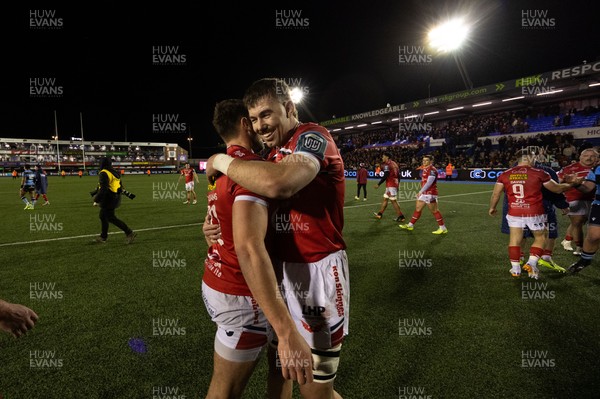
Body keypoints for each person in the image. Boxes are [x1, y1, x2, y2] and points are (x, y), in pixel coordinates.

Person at [207, 78, 348, 399]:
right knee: (281, 369)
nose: (260, 126)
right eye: (254, 119)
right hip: (279, 276)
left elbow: (281, 184)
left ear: (289, 108)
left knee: (316, 391)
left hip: (319, 281)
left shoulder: (315, 137)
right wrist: (213, 222)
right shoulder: (271, 153)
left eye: (266, 115)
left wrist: (219, 160)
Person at [202, 99, 312, 398]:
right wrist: (287, 330)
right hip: (242, 290)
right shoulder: (249, 170)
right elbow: (248, 247)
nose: (260, 126)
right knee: (225, 389)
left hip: (223, 275)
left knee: (281, 370)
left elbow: (219, 219)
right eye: (253, 119)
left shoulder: (221, 170)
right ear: (243, 124)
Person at [489, 148, 576, 278]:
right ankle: (532, 263)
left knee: (514, 239)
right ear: (530, 158)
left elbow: (496, 194)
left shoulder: (505, 174)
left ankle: (515, 269)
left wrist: (492, 207)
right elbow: (557, 189)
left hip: (514, 211)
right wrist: (572, 184)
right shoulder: (540, 173)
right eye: (534, 157)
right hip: (534, 211)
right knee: (541, 238)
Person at [500, 160, 568, 273]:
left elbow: (502, 191)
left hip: (515, 208)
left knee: (518, 234)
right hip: (540, 208)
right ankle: (544, 258)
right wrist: (563, 204)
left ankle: (518, 261)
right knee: (547, 234)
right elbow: (555, 191)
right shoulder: (545, 171)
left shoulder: (509, 172)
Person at [557, 149, 598, 255]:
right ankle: (579, 247)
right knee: (578, 222)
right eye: (586, 155)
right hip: (574, 199)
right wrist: (561, 202)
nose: (589, 158)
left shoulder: (597, 169)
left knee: (582, 222)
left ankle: (567, 239)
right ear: (580, 156)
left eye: (592, 156)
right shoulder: (569, 169)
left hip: (594, 199)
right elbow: (558, 185)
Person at [566, 159, 600, 273]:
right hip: (599, 205)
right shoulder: (597, 168)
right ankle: (585, 260)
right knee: (593, 236)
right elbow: (587, 188)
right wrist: (576, 184)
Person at [399, 155, 448, 234]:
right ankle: (410, 225)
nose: (424, 162)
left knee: (434, 211)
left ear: (431, 161)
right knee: (418, 209)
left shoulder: (432, 170)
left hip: (430, 193)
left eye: (426, 160)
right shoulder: (425, 168)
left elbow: (429, 183)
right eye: (423, 160)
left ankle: (443, 228)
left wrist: (420, 191)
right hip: (425, 193)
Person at [93, 157, 136, 244]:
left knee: (111, 218)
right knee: (103, 216)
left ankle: (129, 232)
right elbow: (120, 186)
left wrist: (96, 200)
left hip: (108, 199)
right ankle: (103, 237)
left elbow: (104, 188)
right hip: (115, 197)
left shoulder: (104, 173)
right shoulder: (115, 172)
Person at [373, 152, 405, 222]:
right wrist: (398, 184)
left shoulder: (387, 165)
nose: (382, 158)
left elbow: (386, 175)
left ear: (387, 157)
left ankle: (401, 216)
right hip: (393, 184)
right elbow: (399, 175)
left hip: (391, 184)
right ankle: (380, 214)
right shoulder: (394, 163)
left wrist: (378, 184)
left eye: (383, 156)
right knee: (385, 199)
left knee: (393, 201)